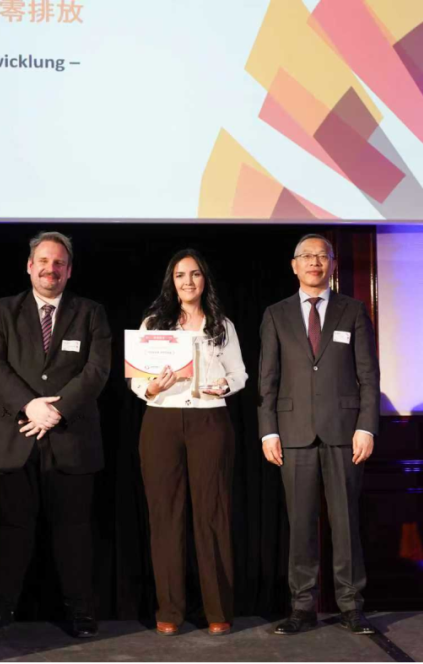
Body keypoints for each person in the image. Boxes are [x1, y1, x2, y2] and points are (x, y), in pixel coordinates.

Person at [0, 231, 112, 639]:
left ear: (69, 271)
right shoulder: (3, 310)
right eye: (44, 262)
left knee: (74, 532)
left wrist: (56, 410)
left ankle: (81, 614)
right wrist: (30, 405)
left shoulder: (91, 312)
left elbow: (97, 370)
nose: (52, 269)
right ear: (30, 266)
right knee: (12, 531)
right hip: (15, 437)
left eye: (59, 263)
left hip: (71, 438)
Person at [258, 234, 379, 636]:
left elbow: (368, 375)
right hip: (293, 434)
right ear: (294, 265)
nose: (315, 262)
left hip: (345, 433)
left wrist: (366, 426)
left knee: (345, 523)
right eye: (307, 256)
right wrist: (268, 431)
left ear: (332, 264)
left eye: (322, 256)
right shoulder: (276, 315)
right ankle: (302, 607)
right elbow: (268, 379)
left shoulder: (353, 311)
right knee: (300, 525)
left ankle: (351, 605)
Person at [130, 249, 247, 637]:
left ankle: (218, 610)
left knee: (212, 514)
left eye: (195, 274)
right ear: (172, 281)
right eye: (180, 275)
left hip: (209, 420)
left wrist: (226, 384)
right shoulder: (154, 323)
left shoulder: (221, 325)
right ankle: (169, 610)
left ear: (204, 279)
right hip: (161, 421)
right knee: (165, 514)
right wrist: (150, 387)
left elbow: (240, 373)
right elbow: (136, 378)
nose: (188, 281)